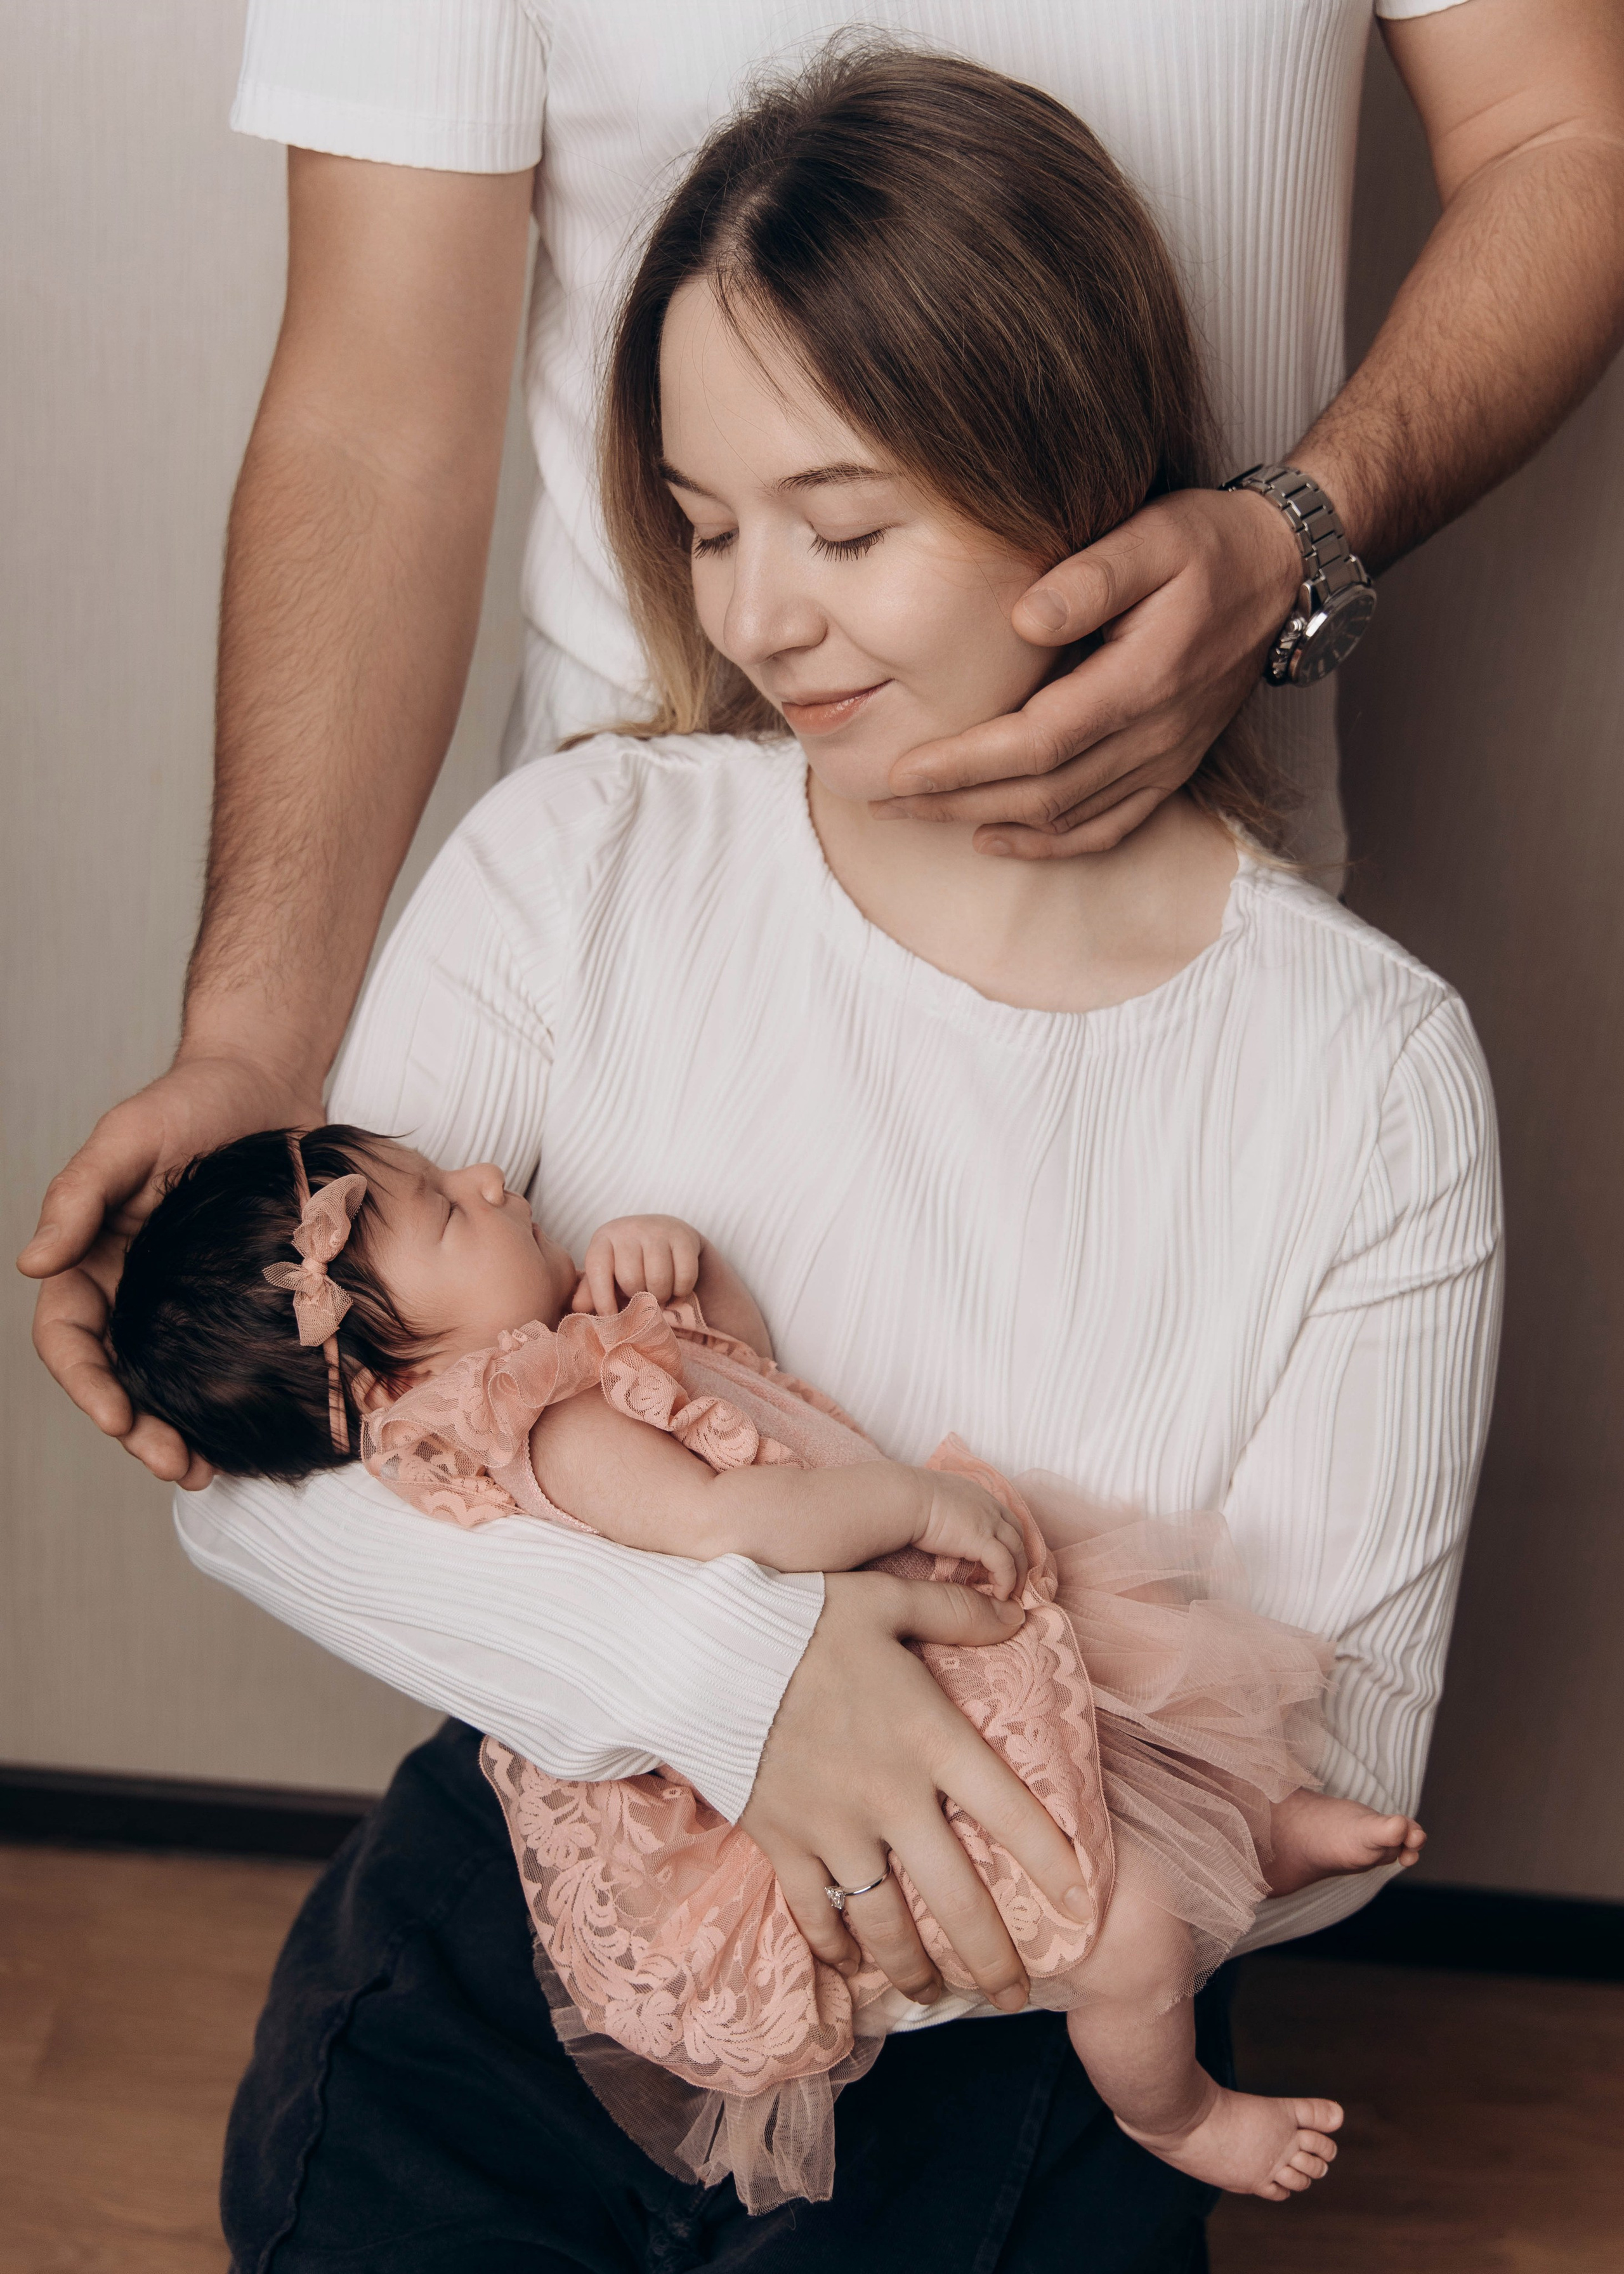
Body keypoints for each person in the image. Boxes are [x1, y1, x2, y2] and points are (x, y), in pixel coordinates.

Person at [99, 43, 1498, 2265]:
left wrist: (960, 1898)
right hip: (549, 1898)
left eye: (841, 528)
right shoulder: (581, 850)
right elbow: (271, 1493)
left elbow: (1336, 1765)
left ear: (1070, 476)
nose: (753, 617)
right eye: (706, 522)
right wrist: (742, 1690)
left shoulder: (1367, 1069)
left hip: (1016, 1985)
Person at [105, 1118, 1425, 2212]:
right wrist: (908, 1504)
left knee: (1106, 1704)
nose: (490, 1178)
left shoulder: (571, 1348)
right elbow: (735, 1519)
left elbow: (749, 1379)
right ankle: (1172, 2110)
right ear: (377, 1373)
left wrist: (691, 1275)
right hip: (814, 1715)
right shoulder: (549, 1432)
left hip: (879, 1650)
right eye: (448, 1211)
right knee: (1121, 1919)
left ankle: (1258, 1829)